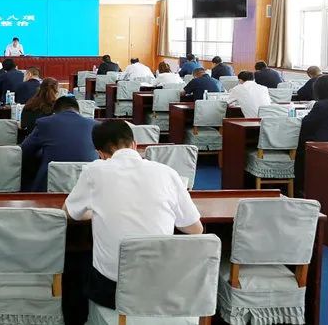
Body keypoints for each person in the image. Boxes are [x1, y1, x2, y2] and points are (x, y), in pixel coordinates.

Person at [64, 120, 202, 310]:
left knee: (79, 262)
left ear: (100, 154)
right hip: (163, 290)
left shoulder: (94, 171)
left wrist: (95, 212)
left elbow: (69, 212)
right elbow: (196, 229)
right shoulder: (168, 172)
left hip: (113, 291)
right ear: (135, 144)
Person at [20, 96, 98, 191]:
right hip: (89, 185)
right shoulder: (94, 125)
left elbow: (25, 149)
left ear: (54, 112)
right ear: (78, 111)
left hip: (49, 186)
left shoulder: (45, 123)